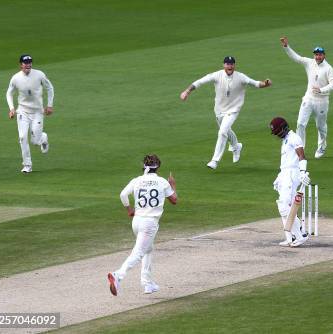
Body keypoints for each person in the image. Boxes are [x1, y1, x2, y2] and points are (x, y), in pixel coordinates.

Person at [180, 56, 272, 169]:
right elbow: (200, 82)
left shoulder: (240, 77)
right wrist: (187, 91)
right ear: (224, 65)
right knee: (226, 130)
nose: (230, 66)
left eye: (232, 64)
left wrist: (265, 83)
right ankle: (236, 146)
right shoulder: (217, 75)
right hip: (219, 110)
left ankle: (215, 160)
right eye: (227, 64)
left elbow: (256, 84)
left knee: (222, 132)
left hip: (233, 110)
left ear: (234, 65)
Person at [108, 154, 177, 296]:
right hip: (149, 223)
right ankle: (118, 275)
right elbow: (174, 200)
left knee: (148, 249)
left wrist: (129, 210)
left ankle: (147, 283)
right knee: (139, 252)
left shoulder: (137, 180)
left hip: (137, 221)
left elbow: (123, 195)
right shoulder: (162, 182)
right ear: (158, 167)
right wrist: (173, 185)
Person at [280, 36, 333, 159]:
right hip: (308, 99)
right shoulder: (309, 63)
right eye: (316, 54)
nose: (318, 57)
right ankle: (300, 149)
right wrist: (286, 47)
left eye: (320, 54)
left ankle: (322, 146)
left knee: (320, 127)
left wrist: (321, 90)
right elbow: (297, 58)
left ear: (324, 55)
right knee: (300, 123)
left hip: (322, 101)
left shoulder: (329, 68)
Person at [6, 54, 55, 173]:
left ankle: (42, 138)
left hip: (38, 112)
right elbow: (9, 93)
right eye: (25, 62)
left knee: (35, 141)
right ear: (21, 64)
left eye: (29, 62)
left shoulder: (39, 75)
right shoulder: (16, 78)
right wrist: (12, 108)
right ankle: (27, 165)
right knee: (22, 137)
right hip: (22, 111)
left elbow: (50, 88)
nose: (28, 64)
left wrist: (49, 105)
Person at [270, 117, 311, 247]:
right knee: (283, 205)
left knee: (284, 206)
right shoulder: (285, 140)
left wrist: (303, 172)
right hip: (285, 174)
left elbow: (302, 156)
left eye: (278, 131)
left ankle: (300, 235)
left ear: (284, 127)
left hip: (292, 174)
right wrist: (279, 176)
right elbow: (286, 161)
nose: (277, 135)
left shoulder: (294, 138)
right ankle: (291, 237)